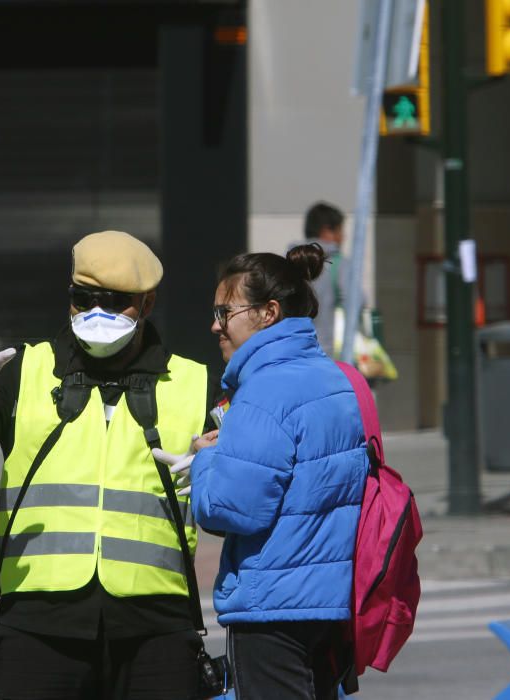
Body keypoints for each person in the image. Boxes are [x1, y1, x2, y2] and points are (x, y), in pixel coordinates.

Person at [0, 230, 220, 700]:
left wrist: (220, 466)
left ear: (147, 303)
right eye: (85, 298)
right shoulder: (27, 370)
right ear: (69, 299)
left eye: (116, 301)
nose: (98, 312)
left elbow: (240, 488)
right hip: (39, 624)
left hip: (155, 626)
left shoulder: (194, 383)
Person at [174, 245, 368, 699]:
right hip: (331, 601)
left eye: (225, 311)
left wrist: (205, 459)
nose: (214, 325)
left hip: (272, 607)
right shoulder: (338, 379)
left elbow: (230, 509)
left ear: (268, 313)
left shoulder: (262, 390)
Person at [303, 201, 346, 356]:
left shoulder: (287, 261)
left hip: (292, 354)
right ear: (327, 231)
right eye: (341, 231)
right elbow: (358, 301)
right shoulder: (337, 263)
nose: (343, 237)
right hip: (328, 352)